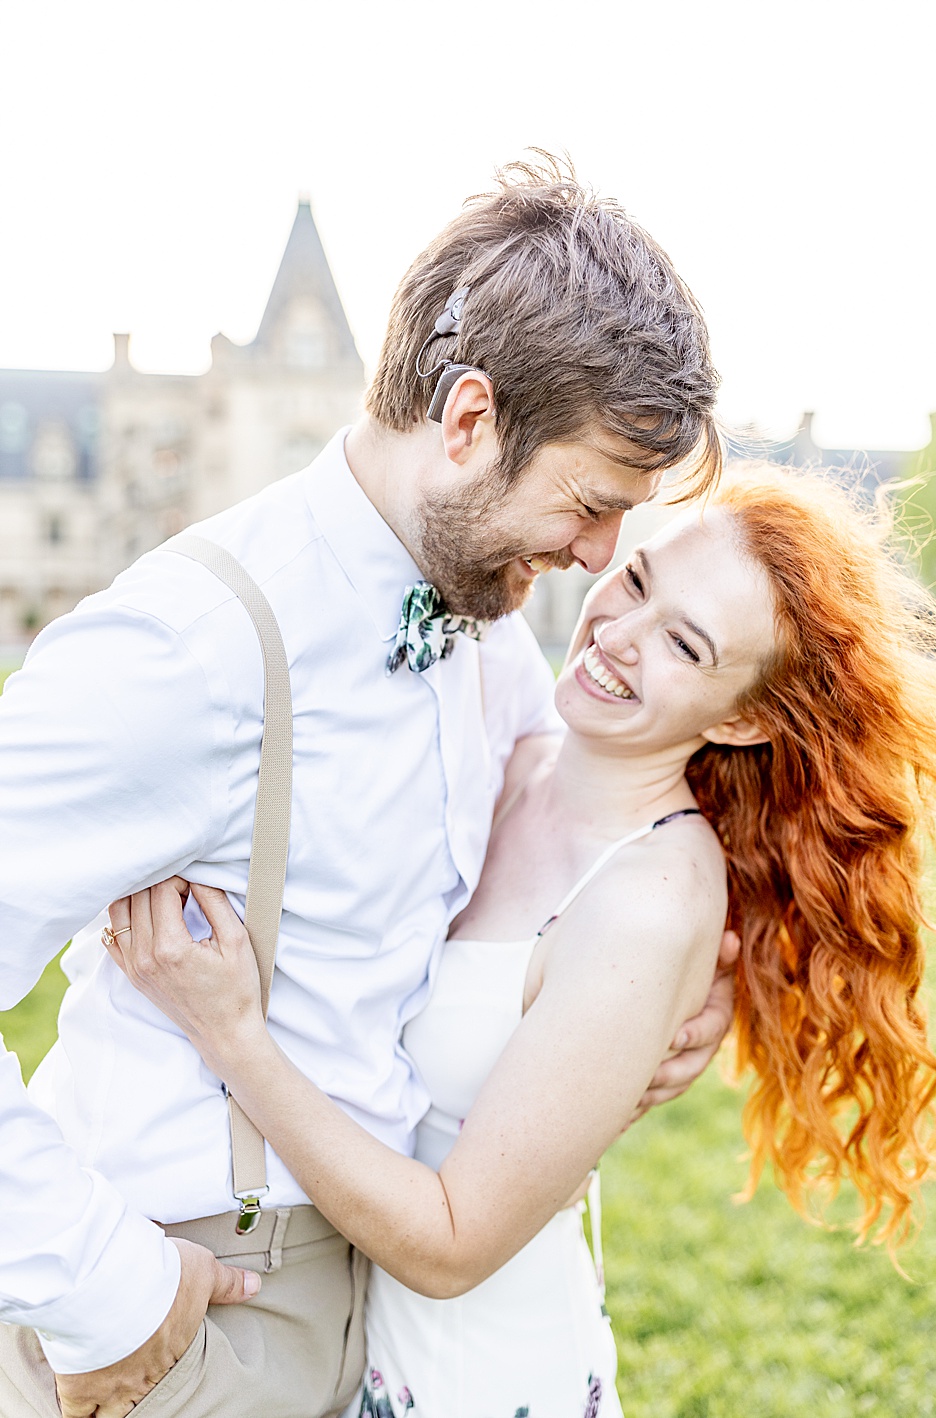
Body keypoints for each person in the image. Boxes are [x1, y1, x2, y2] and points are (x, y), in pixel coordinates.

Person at [0, 157, 731, 1418]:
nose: (605, 558)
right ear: (466, 420)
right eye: (593, 502)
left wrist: (702, 982)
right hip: (192, 1295)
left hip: (384, 1309)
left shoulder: (489, 636)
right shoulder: (192, 647)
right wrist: (108, 1287)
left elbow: (583, 845)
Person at [105, 466, 936, 1416]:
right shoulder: (513, 740)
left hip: (479, 1371)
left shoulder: (650, 900)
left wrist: (234, 1041)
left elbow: (457, 1243)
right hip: (356, 1338)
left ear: (745, 717)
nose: (618, 636)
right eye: (637, 582)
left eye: (683, 643)